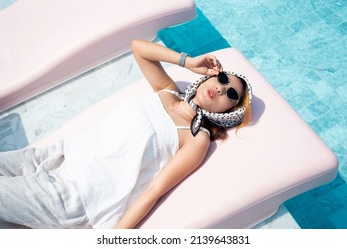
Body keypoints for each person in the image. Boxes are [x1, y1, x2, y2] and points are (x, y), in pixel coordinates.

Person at [0, 40, 252, 229]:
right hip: (59, 155)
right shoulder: (167, 91)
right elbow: (139, 48)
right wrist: (187, 61)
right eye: (221, 78)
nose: (220, 88)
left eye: (230, 94)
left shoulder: (197, 138)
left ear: (230, 112)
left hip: (75, 196)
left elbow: (154, 190)